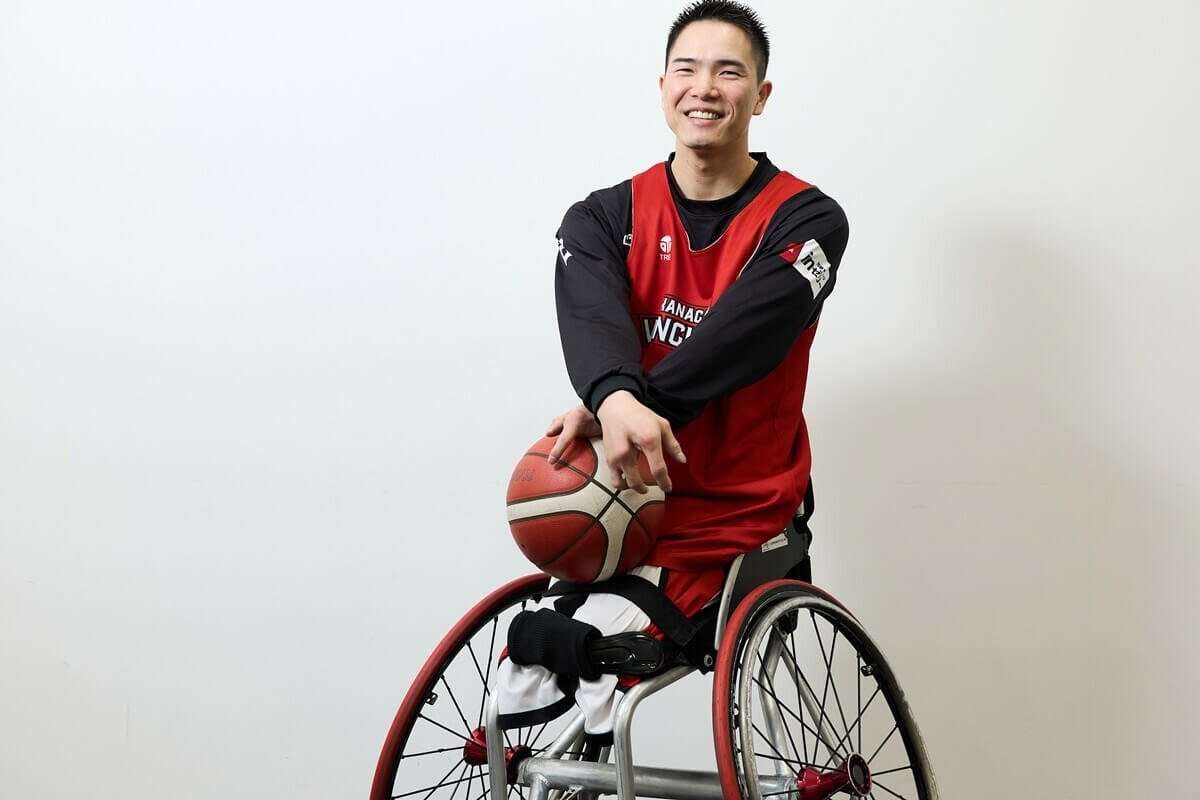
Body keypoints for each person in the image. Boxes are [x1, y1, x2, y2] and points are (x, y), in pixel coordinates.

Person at [496, 0, 849, 738]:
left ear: (761, 95)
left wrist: (626, 405)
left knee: (597, 647)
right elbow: (592, 322)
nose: (704, 88)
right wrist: (613, 397)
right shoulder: (601, 217)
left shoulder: (809, 221)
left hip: (741, 506)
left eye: (729, 72)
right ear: (663, 88)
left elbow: (745, 336)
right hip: (626, 490)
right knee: (532, 649)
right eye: (686, 69)